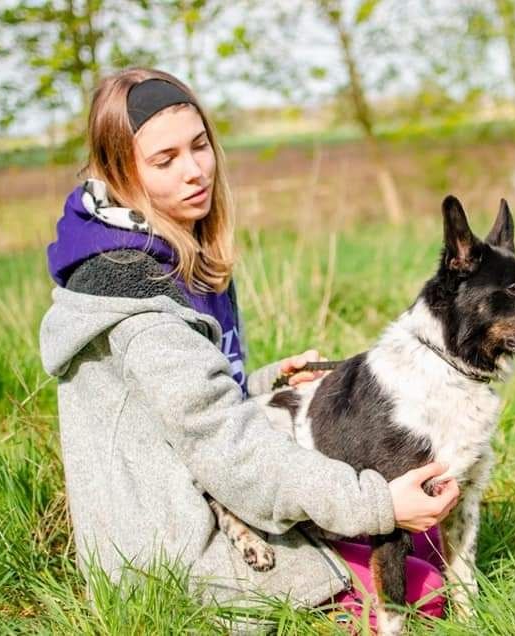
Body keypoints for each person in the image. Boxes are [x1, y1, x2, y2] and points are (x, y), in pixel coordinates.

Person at [38, 67, 460, 628]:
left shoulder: (175, 246)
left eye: (199, 146)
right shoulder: (136, 296)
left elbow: (183, 410)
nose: (194, 171)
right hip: (175, 548)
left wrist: (267, 384)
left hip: (214, 491)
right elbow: (226, 447)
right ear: (120, 172)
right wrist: (375, 503)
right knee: (422, 579)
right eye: (164, 161)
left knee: (427, 520)